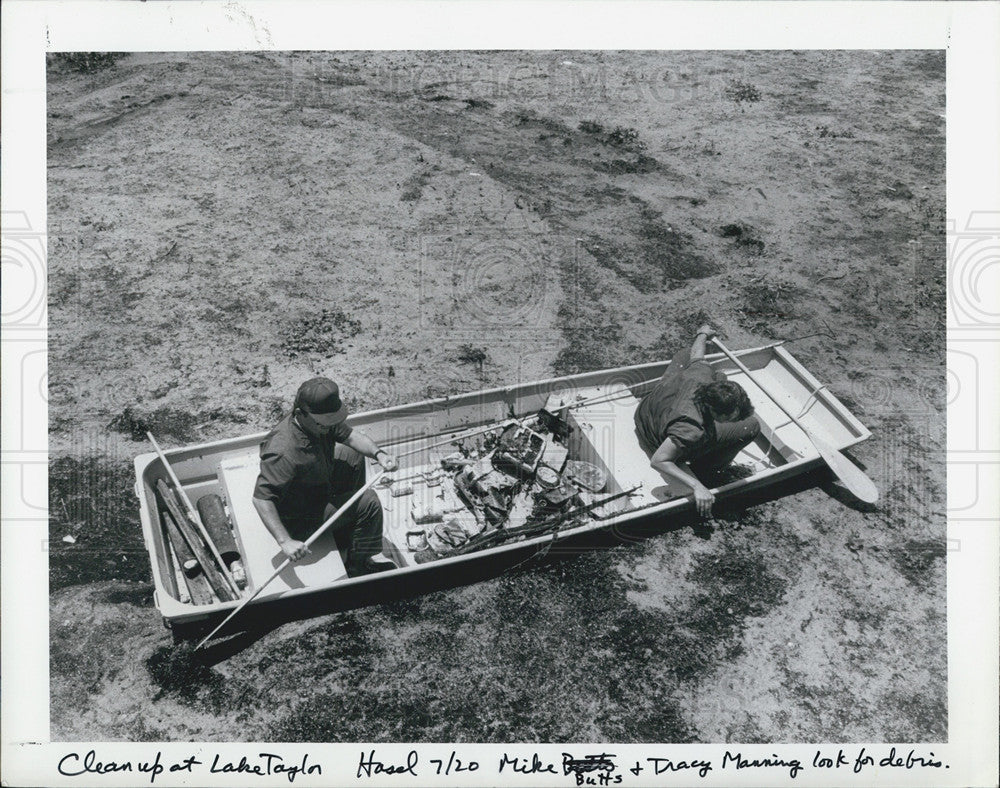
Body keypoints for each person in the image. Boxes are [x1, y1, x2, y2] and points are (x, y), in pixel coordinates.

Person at [252, 377, 399, 576]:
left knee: (352, 454)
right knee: (369, 501)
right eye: (324, 424)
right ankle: (359, 563)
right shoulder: (283, 451)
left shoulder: (318, 421)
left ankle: (348, 525)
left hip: (314, 489)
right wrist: (285, 541)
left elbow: (352, 437)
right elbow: (262, 499)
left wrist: (379, 454)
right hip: (300, 518)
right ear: (299, 414)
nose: (329, 427)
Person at [634, 325, 760, 517]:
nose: (735, 418)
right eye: (731, 417)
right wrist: (697, 486)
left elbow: (696, 354)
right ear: (715, 412)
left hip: (645, 412)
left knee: (688, 356)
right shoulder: (691, 428)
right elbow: (659, 461)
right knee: (751, 426)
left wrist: (703, 334)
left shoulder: (701, 375)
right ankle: (709, 470)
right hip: (654, 439)